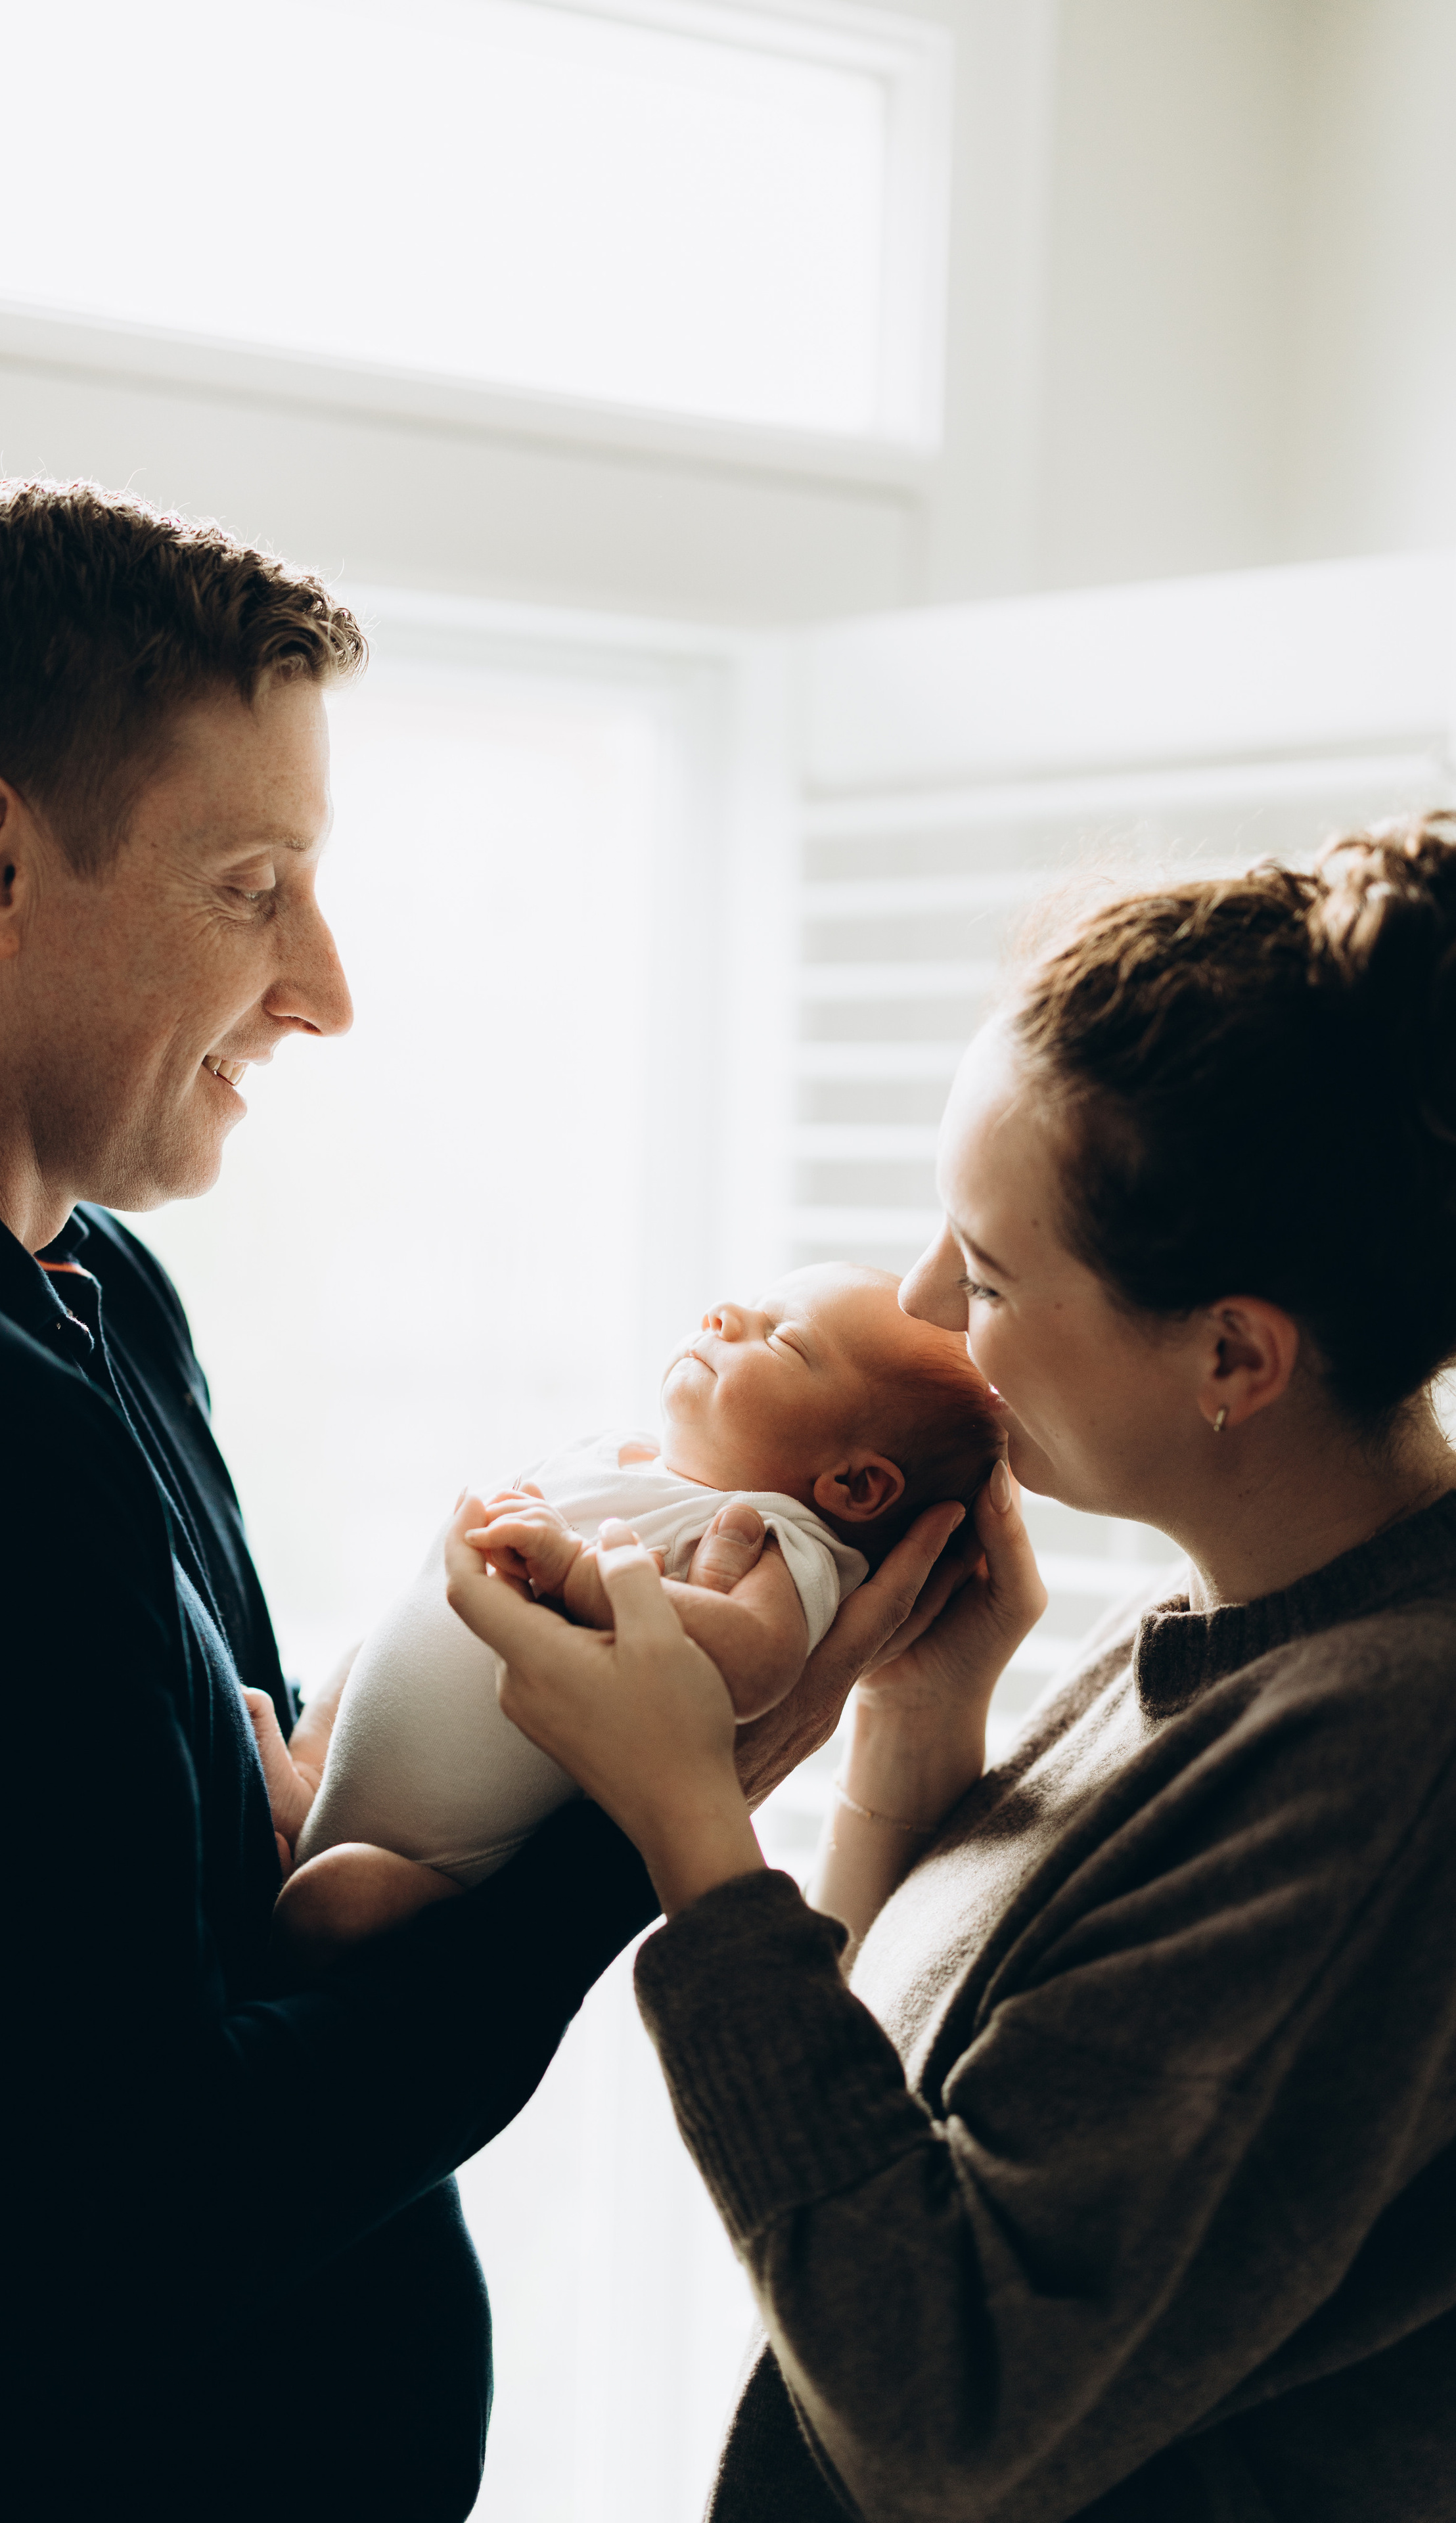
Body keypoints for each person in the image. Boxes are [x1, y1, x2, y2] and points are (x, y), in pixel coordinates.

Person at [0, 478, 965, 2523]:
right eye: (254, 885)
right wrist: (659, 1803)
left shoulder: (87, 1290)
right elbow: (130, 2225)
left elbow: (227, 1907)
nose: (325, 985)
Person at [447, 817, 1456, 2520]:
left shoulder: (1383, 1750)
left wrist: (698, 1832)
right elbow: (891, 2149)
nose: (920, 1304)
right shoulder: (1214, 1645)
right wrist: (919, 1735)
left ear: (1232, 1353)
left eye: (982, 1272)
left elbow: (940, 2405)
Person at [247, 1263, 999, 1955]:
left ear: (855, 1486)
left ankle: (329, 1851)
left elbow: (756, 1664)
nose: (724, 1315)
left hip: (435, 1860)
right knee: (361, 1649)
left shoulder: (779, 1537)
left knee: (331, 1899)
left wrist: (578, 1570)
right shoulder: (619, 1450)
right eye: (747, 1305)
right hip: (380, 1756)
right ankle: (312, 1782)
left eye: (783, 1339)